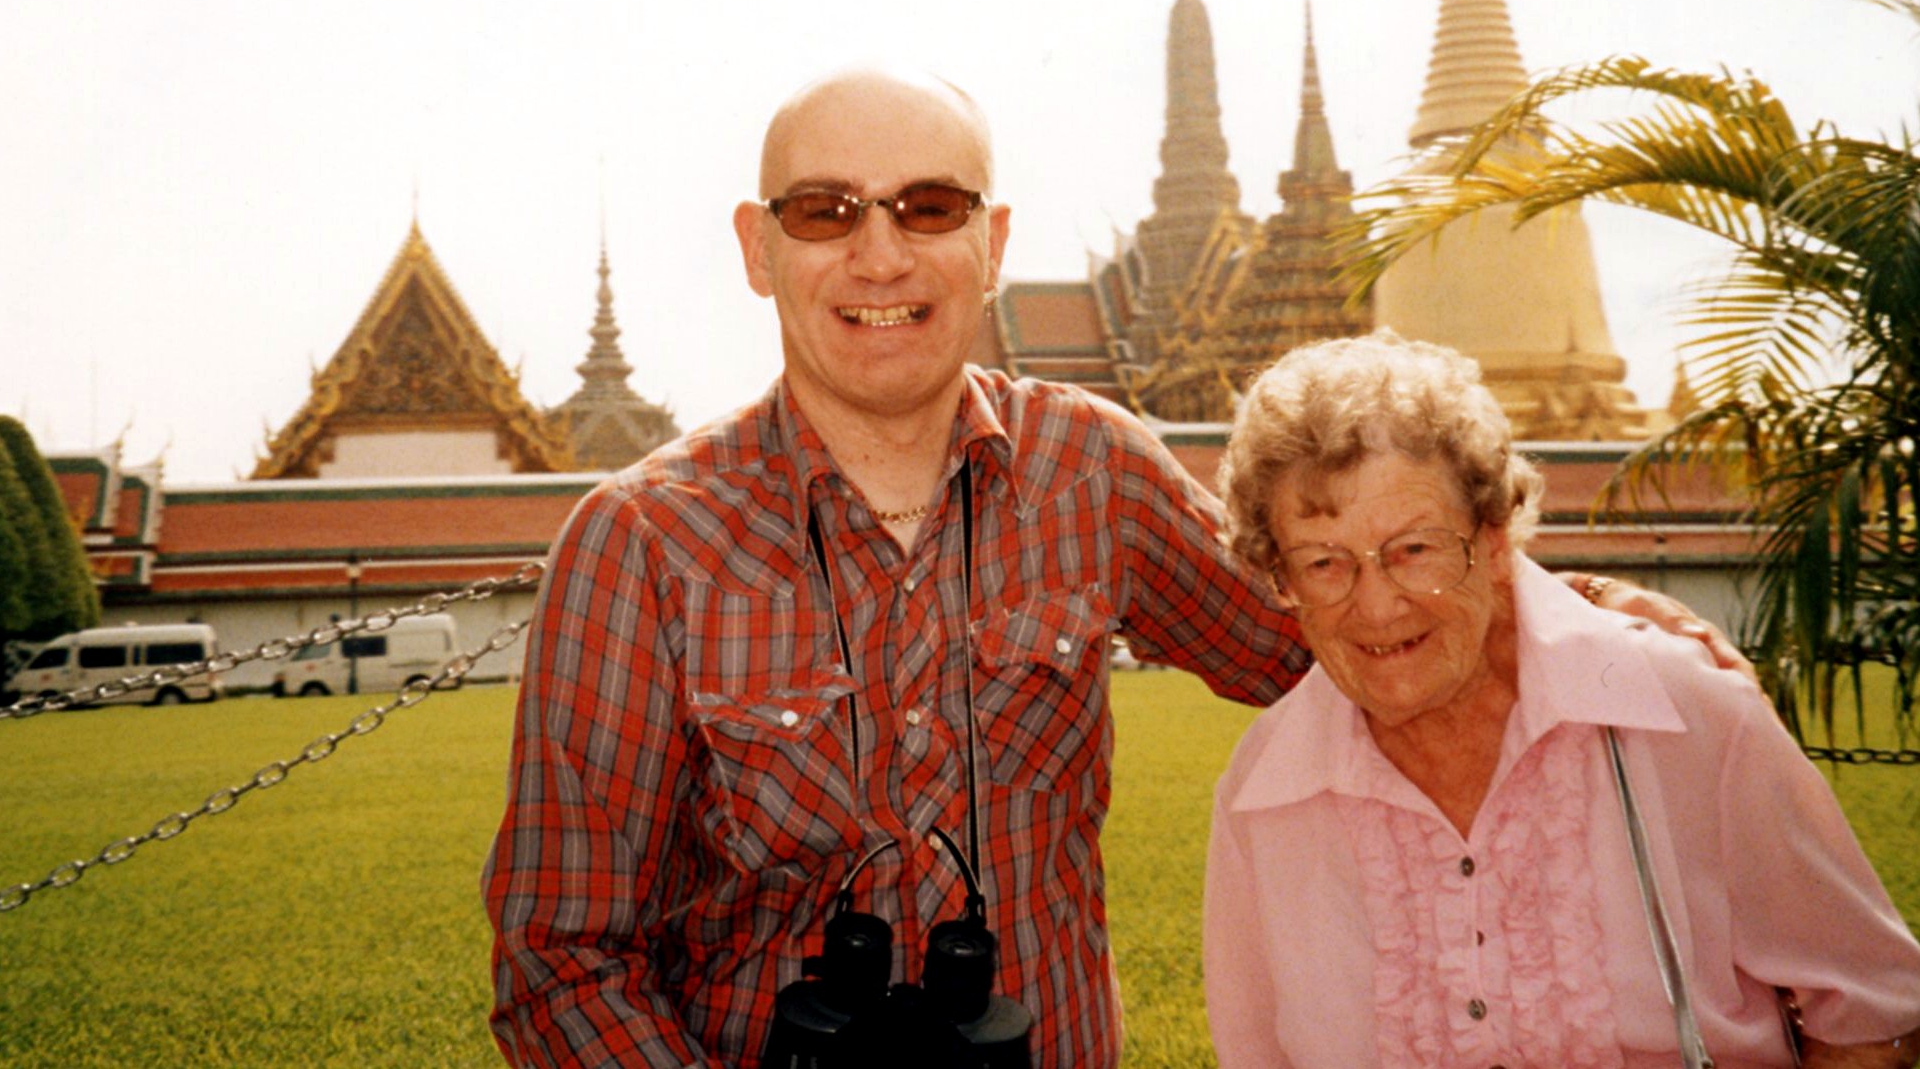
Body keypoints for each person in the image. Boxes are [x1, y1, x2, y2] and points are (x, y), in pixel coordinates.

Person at [483, 66, 1747, 1069]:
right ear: (762, 249)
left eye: (929, 207)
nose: (880, 255)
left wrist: (1584, 616)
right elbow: (560, 956)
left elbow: (1325, 635)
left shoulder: (1089, 470)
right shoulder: (643, 542)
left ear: (993, 242)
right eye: (827, 212)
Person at [1203, 331, 1920, 1068]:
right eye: (1323, 564)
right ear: (1279, 579)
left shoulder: (1678, 712)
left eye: (1415, 549)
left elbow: (1871, 1013)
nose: (1377, 605)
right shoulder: (1264, 792)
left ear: (1492, 538)